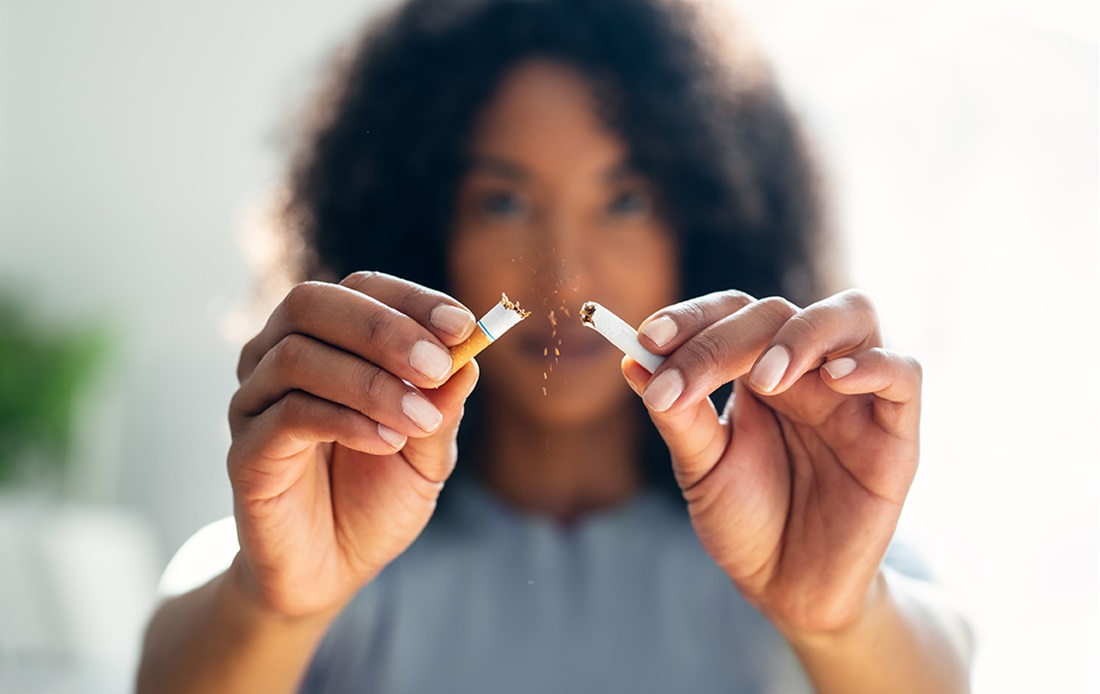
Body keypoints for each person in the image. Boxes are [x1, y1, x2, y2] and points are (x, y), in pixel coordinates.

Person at [137, 0, 972, 691]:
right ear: (428, 232)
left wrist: (840, 617)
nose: (566, 279)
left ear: (705, 227)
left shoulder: (807, 523)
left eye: (627, 200)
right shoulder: (310, 537)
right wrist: (275, 609)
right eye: (503, 203)